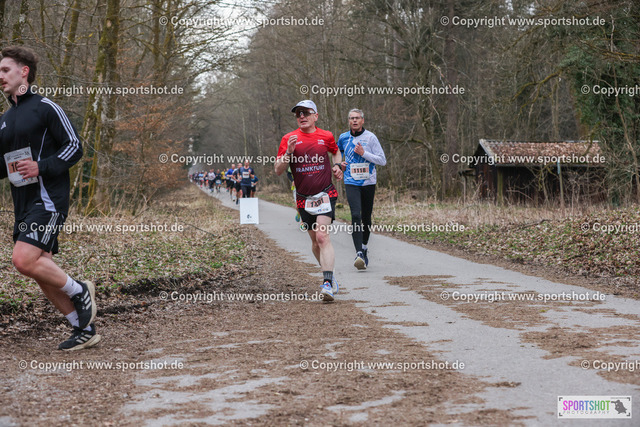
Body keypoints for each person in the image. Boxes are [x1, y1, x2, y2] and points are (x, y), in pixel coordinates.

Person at [0, 46, 99, 350]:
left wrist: (40, 166)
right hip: (23, 204)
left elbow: (75, 147)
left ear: (24, 72)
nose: (0, 76)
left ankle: (80, 289)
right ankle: (84, 329)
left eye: (5, 70)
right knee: (42, 269)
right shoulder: (5, 119)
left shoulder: (46, 107)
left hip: (48, 200)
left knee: (23, 260)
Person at [275, 100, 343, 301]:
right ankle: (329, 274)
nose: (302, 116)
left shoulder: (326, 136)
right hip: (304, 198)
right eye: (298, 114)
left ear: (316, 116)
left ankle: (327, 283)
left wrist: (338, 166)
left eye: (305, 112)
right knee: (314, 242)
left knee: (322, 237)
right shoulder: (288, 138)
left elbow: (335, 151)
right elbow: (278, 170)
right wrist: (289, 152)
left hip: (325, 194)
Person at [338, 108, 386, 270]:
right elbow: (337, 153)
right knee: (355, 215)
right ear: (348, 121)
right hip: (351, 181)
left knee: (366, 217)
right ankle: (358, 253)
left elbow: (382, 160)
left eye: (357, 118)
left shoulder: (371, 138)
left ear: (362, 120)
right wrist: (339, 163)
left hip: (368, 182)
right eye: (352, 118)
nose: (354, 120)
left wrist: (364, 153)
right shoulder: (343, 138)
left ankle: (364, 247)